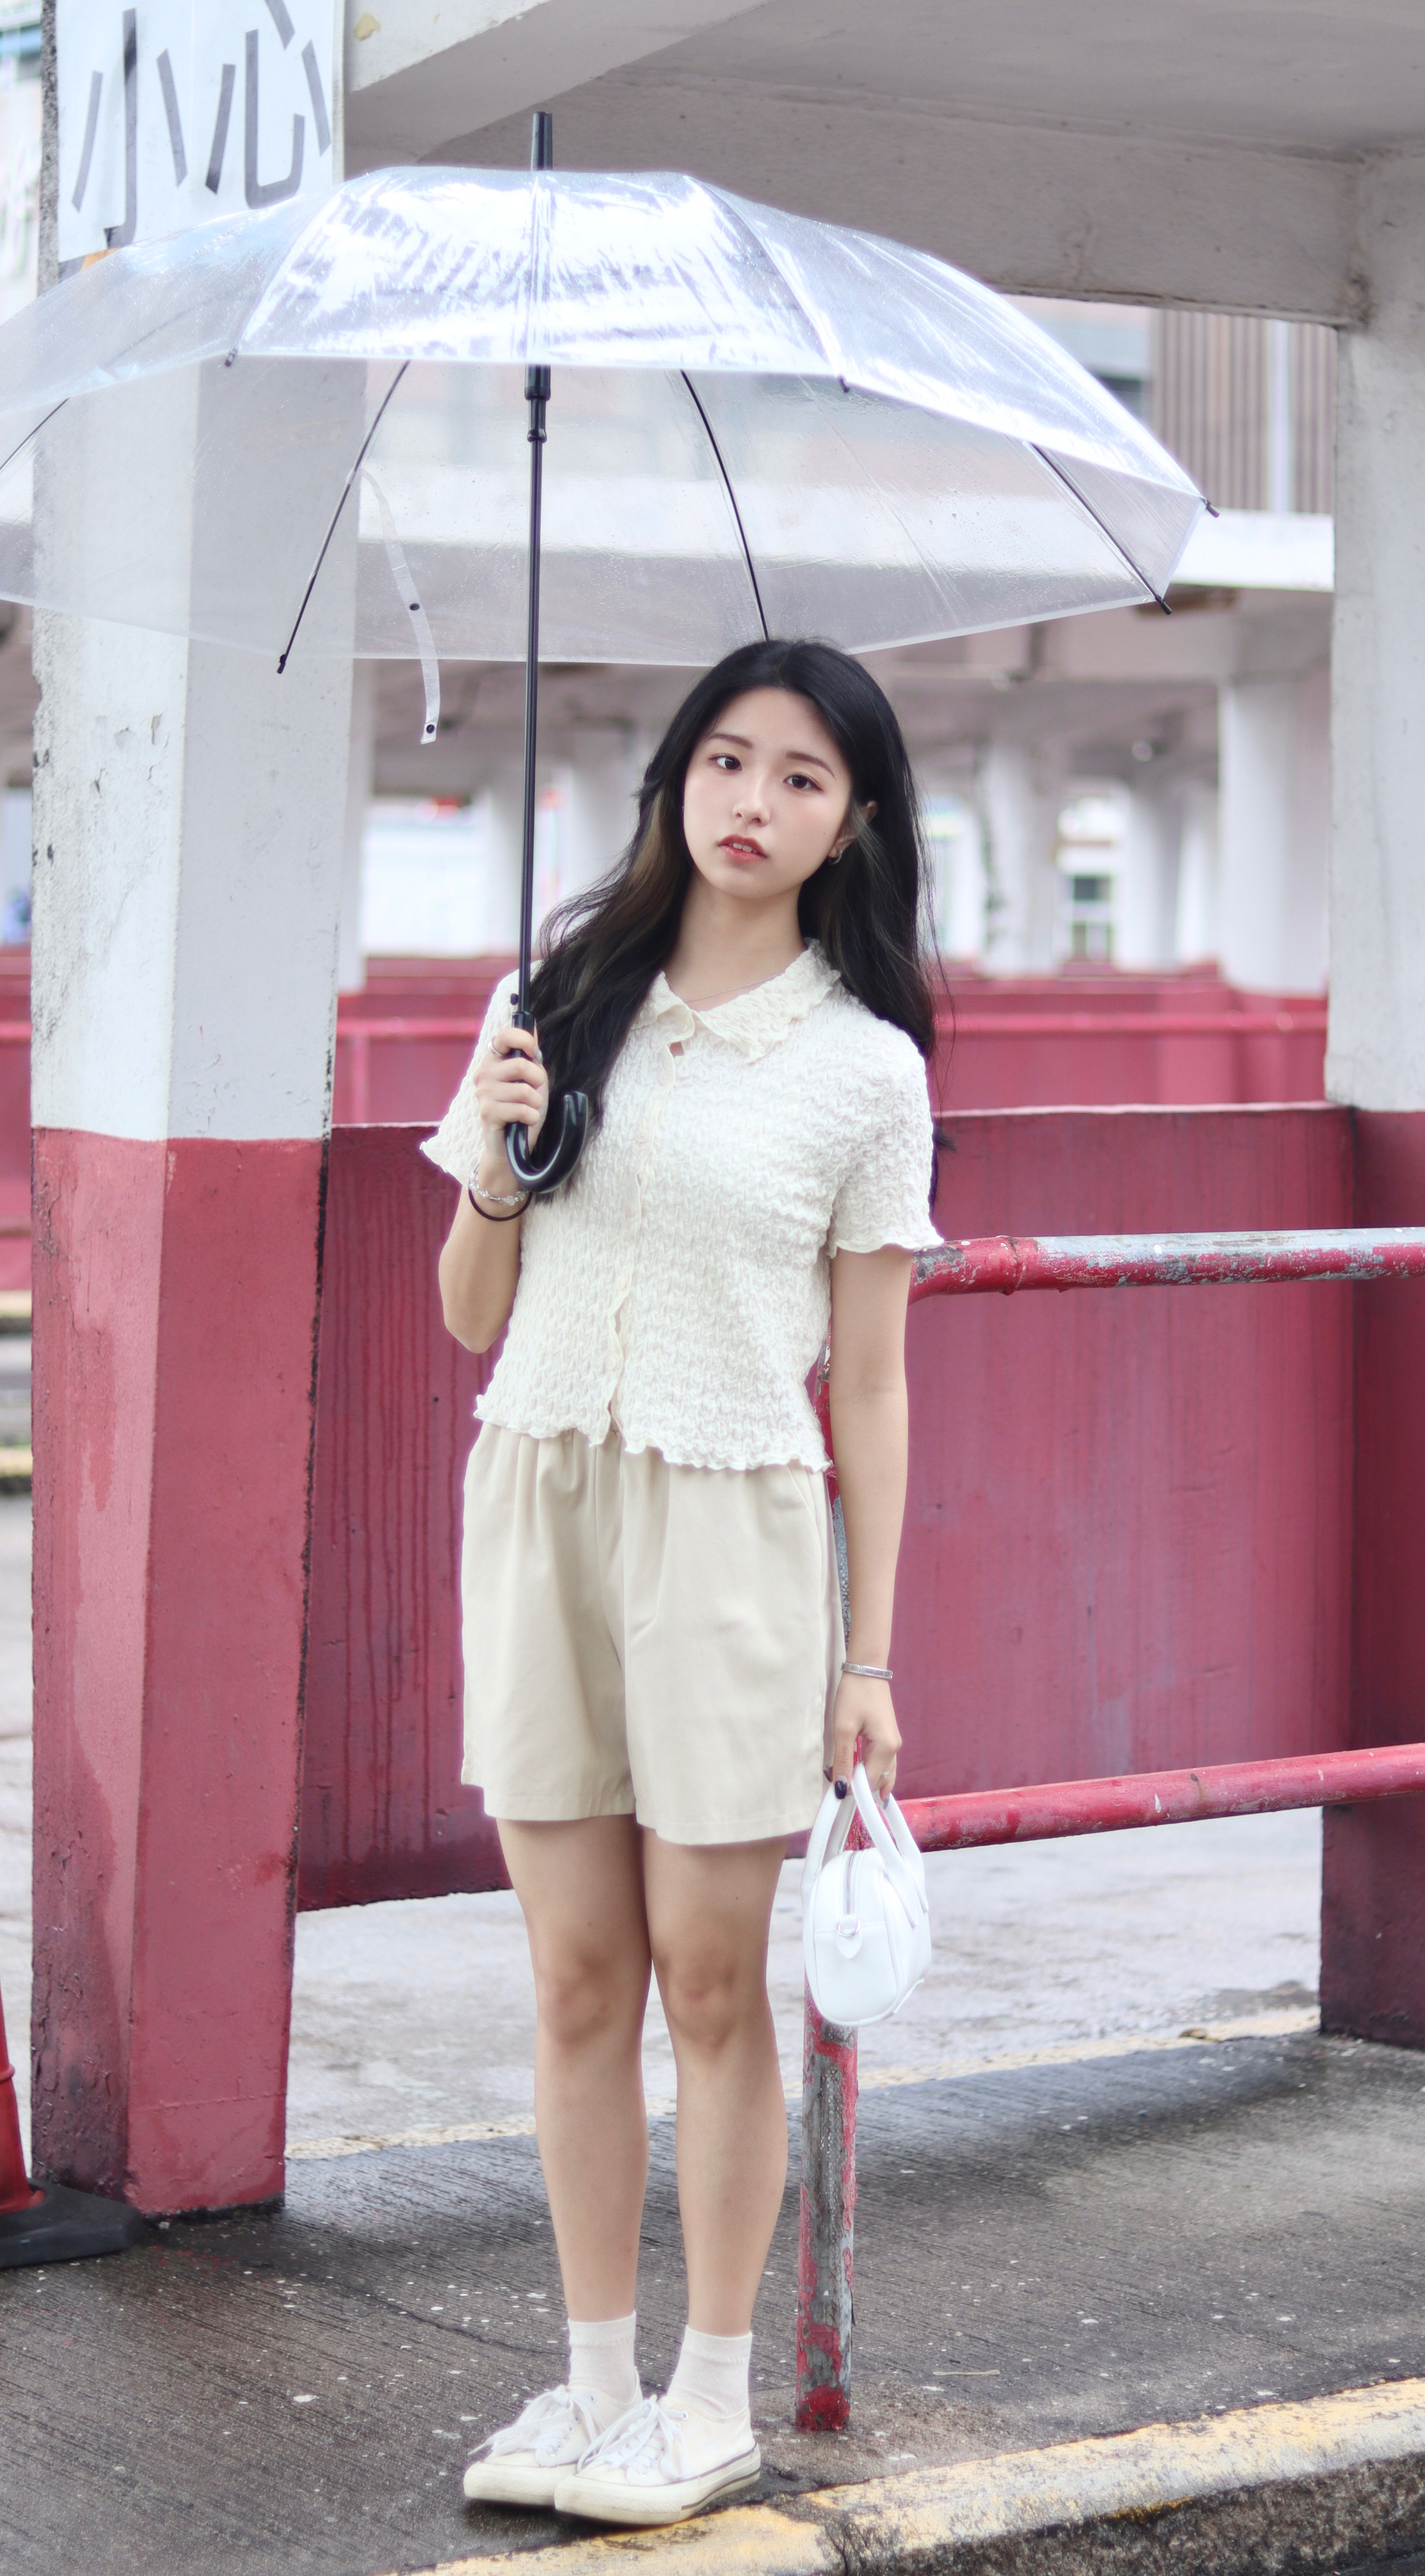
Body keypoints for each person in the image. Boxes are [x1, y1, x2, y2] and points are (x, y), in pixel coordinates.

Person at [422, 638, 940, 2528]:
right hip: (542, 1496)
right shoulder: (557, 1006)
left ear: (852, 823)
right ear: (672, 781)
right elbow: (468, 1311)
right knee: (576, 1978)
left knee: (713, 1983)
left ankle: (708, 2396)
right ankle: (589, 2389)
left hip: (732, 1526)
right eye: (726, 760)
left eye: (802, 777)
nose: (753, 802)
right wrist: (497, 1152)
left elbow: (870, 1384)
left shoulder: (866, 1069)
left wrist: (869, 1656)